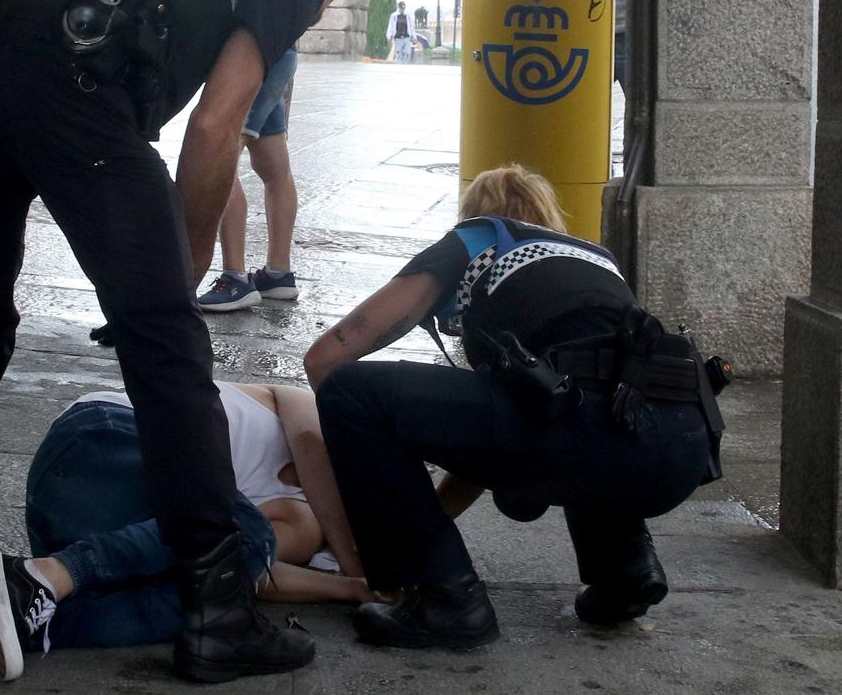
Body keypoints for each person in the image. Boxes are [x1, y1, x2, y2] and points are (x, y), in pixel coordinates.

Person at [0, 0, 340, 682]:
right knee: (163, 332)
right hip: (71, 68)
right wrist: (178, 275)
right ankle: (216, 605)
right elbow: (215, 125)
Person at [303, 164, 723, 649]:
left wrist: (365, 532)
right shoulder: (595, 259)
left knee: (352, 391)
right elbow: (491, 441)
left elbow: (328, 358)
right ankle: (625, 570)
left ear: (473, 215)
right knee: (588, 403)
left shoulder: (478, 238)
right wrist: (417, 522)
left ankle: (447, 604)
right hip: (685, 451)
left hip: (586, 433)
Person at [0, 381, 371, 683]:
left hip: (88, 525)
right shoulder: (303, 407)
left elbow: (245, 576)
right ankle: (50, 576)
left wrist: (354, 589)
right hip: (106, 434)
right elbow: (311, 445)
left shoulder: (305, 521)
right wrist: (351, 556)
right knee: (235, 534)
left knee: (211, 597)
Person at [197, 0, 322, 312]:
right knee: (273, 165)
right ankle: (277, 272)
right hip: (282, 52)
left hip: (248, 50)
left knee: (218, 154)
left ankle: (234, 277)